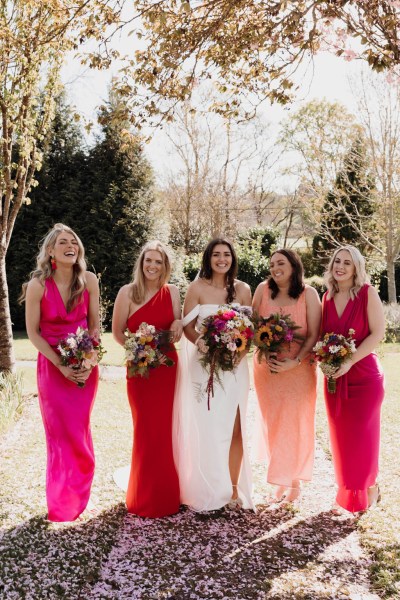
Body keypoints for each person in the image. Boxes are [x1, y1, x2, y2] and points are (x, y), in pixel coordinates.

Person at [22, 223, 100, 522]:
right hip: (53, 367)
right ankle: (60, 503)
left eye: (74, 242)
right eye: (63, 242)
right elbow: (33, 332)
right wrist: (61, 364)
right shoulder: (38, 285)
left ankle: (79, 496)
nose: (70, 245)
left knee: (79, 432)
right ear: (51, 251)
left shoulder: (89, 280)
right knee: (59, 435)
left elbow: (94, 325)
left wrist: (89, 360)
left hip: (83, 366)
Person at [174, 237, 254, 512]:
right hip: (204, 365)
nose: (222, 259)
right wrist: (202, 343)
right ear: (208, 258)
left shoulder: (243, 290)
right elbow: (187, 327)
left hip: (234, 367)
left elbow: (249, 331)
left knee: (235, 427)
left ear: (233, 259)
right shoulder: (196, 288)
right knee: (207, 426)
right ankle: (205, 488)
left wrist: (238, 354)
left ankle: (231, 491)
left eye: (227, 255)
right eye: (216, 254)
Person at [112, 240, 182, 518]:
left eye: (158, 262)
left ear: (165, 266)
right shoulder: (127, 293)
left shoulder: (173, 292)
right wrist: (138, 350)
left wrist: (177, 323)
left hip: (167, 367)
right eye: (148, 260)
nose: (153, 266)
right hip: (139, 369)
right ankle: (142, 496)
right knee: (144, 427)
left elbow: (175, 323)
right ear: (141, 263)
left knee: (164, 429)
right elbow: (118, 332)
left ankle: (166, 496)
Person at [253, 249, 321, 503]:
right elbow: (252, 325)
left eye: (280, 263)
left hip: (298, 369)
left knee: (294, 423)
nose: (275, 268)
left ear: (294, 266)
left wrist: (295, 361)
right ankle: (281, 477)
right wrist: (263, 349)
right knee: (273, 423)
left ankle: (293, 483)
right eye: (271, 264)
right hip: (266, 370)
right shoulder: (262, 290)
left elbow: (314, 333)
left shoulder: (309, 294)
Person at [321, 245, 385, 514]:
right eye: (337, 261)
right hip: (335, 378)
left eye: (348, 262)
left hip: (364, 378)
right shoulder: (326, 297)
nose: (341, 266)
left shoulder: (367, 294)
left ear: (356, 268)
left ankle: (369, 488)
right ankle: (349, 490)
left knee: (364, 438)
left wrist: (349, 361)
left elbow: (377, 333)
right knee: (342, 438)